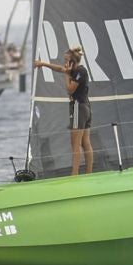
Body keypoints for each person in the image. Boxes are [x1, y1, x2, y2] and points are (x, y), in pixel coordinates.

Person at [34, 45, 96, 175]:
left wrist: (67, 74)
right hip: (85, 107)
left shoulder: (79, 72)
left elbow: (70, 89)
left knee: (76, 143)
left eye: (66, 60)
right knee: (85, 142)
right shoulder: (77, 70)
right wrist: (43, 64)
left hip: (79, 107)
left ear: (72, 62)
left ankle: (74, 174)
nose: (64, 63)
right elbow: (59, 69)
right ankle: (89, 172)